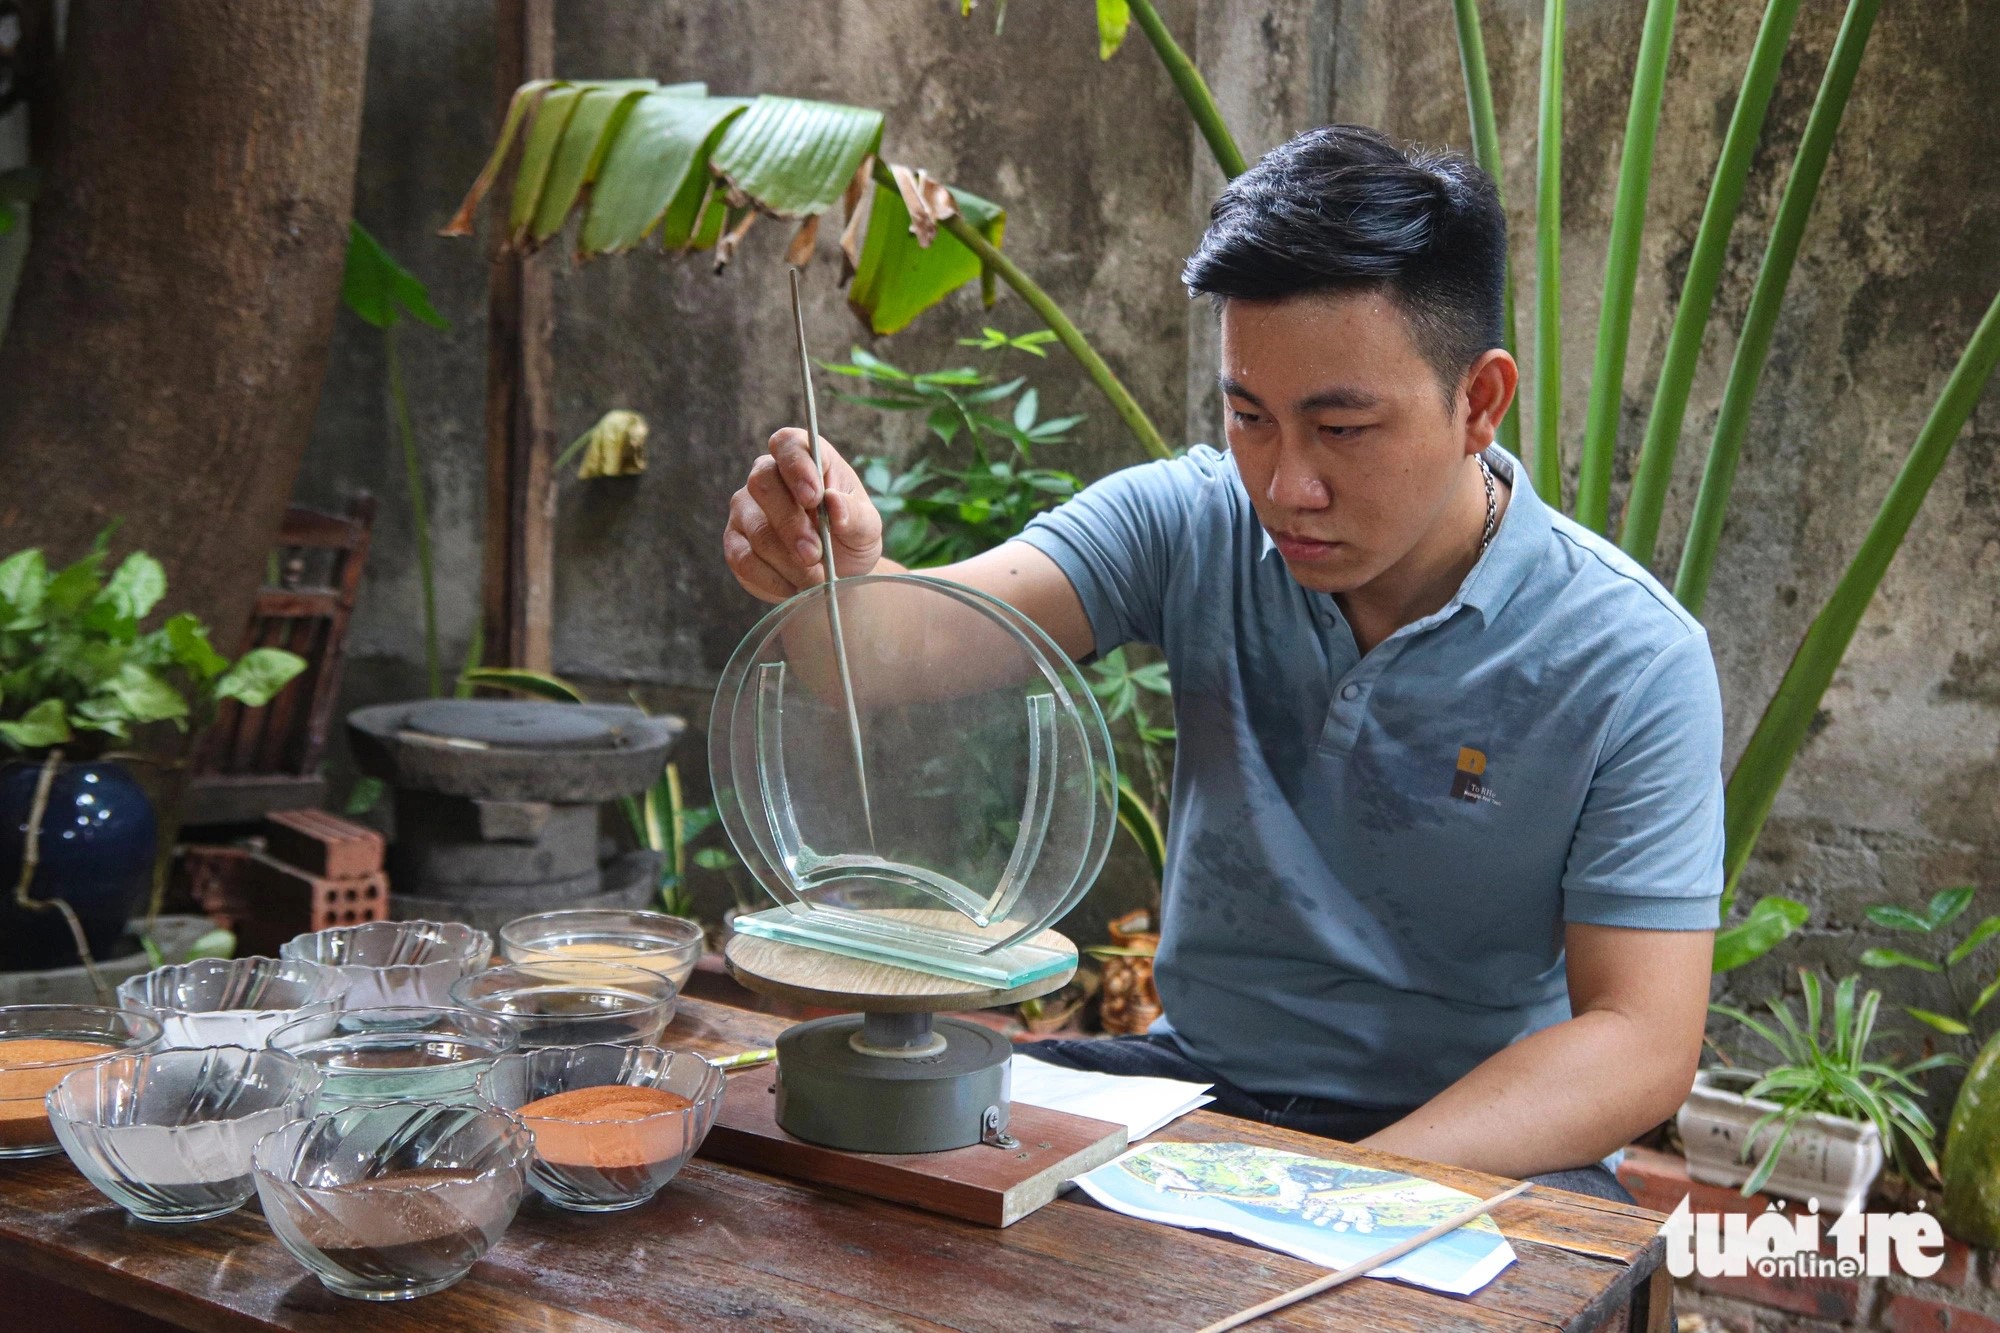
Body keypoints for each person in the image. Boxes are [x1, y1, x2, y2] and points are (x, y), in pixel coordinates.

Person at [723, 125, 1721, 1202]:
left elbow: (1638, 1037)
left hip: (1477, 1133)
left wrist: (1339, 1185)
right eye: (1250, 417)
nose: (1285, 485)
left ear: (1477, 401)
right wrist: (841, 569)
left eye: (1340, 428)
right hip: (1195, 1086)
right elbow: (881, 652)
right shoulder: (1188, 521)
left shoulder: (1628, 657)